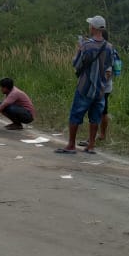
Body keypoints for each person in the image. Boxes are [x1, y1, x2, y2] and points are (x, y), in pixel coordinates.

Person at [55, 16, 114, 156]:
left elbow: (76, 64)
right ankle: (91, 145)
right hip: (100, 89)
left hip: (85, 87)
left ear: (93, 28)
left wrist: (79, 49)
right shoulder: (109, 47)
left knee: (76, 115)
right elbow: (109, 68)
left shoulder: (87, 46)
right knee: (95, 117)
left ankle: (71, 145)